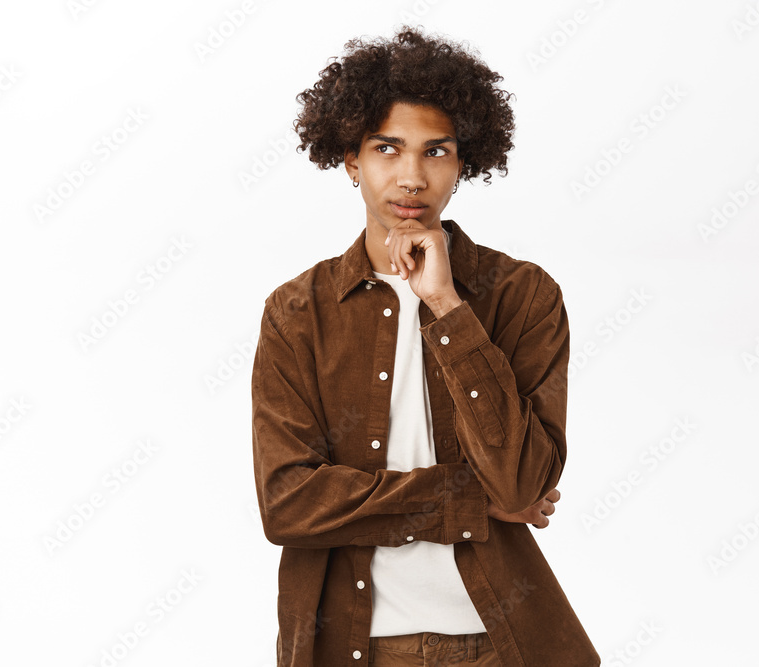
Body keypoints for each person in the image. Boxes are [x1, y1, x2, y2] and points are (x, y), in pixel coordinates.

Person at [251, 25, 600, 667]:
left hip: (506, 645)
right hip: (357, 648)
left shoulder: (523, 296)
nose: (412, 175)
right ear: (351, 159)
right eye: (388, 148)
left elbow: (524, 482)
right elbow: (289, 505)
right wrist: (467, 499)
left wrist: (446, 306)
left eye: (436, 151)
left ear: (464, 162)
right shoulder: (298, 314)